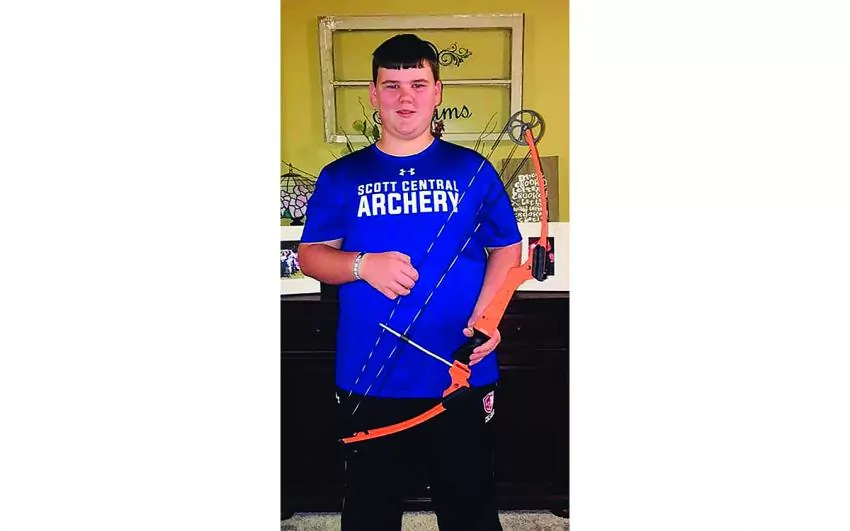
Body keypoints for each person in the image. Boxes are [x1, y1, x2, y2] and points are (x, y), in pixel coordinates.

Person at [298, 33, 521, 531]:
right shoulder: (341, 176)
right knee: (369, 515)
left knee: (470, 513)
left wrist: (488, 317)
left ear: (437, 92)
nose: (406, 98)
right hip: (368, 377)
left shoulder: (473, 169)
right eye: (392, 85)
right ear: (373, 93)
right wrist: (363, 265)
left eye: (418, 84)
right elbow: (311, 255)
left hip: (460, 372)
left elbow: (507, 248)